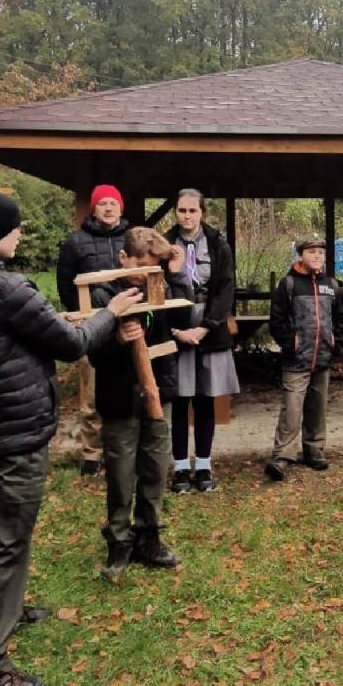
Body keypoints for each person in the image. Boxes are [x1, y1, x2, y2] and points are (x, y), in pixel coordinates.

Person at [0, 183, 138, 686]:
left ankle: (7, 609)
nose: (21, 232)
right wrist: (110, 312)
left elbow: (16, 337)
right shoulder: (5, 287)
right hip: (16, 429)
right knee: (3, 541)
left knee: (3, 530)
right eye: (14, 225)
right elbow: (71, 345)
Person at [89, 227, 192, 581]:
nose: (149, 273)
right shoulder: (103, 292)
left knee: (154, 467)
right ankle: (119, 541)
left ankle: (150, 537)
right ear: (123, 258)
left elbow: (183, 319)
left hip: (156, 396)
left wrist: (177, 274)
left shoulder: (159, 284)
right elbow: (90, 349)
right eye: (142, 266)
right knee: (121, 474)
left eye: (156, 266)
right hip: (119, 397)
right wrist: (115, 337)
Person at [164, 190, 239, 494]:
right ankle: (181, 468)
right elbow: (158, 286)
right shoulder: (165, 244)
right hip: (177, 324)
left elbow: (225, 287)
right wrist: (175, 330)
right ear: (176, 213)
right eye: (182, 210)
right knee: (181, 400)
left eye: (192, 211)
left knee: (205, 398)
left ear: (202, 212)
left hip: (210, 325)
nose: (187, 216)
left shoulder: (218, 244)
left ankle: (204, 465)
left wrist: (206, 327)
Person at [55, 184, 130, 476]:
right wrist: (80, 318)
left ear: (121, 207)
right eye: (102, 204)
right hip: (91, 326)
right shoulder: (75, 243)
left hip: (125, 322)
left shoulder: (131, 238)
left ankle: (119, 449)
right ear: (94, 209)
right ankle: (91, 452)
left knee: (124, 386)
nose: (108, 208)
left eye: (113, 203)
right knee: (92, 391)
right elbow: (65, 284)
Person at [265, 237, 343, 482]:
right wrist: (291, 344)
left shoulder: (331, 285)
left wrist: (335, 344)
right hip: (296, 360)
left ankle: (314, 450)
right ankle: (282, 456)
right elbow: (276, 321)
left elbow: (340, 317)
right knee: (292, 407)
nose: (317, 256)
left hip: (322, 357)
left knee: (317, 406)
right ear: (300, 255)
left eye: (320, 252)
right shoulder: (288, 284)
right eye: (311, 252)